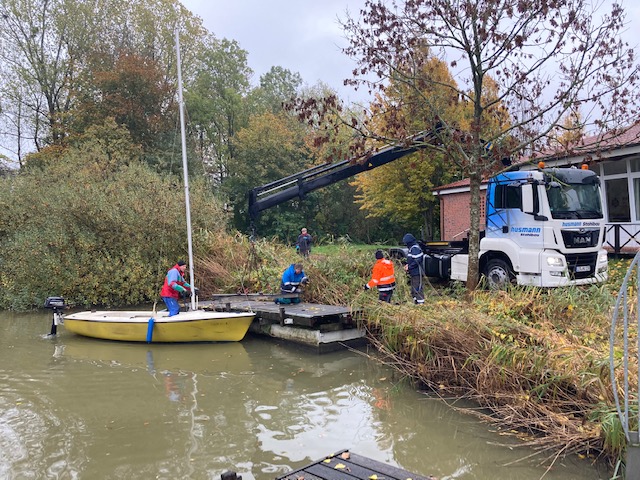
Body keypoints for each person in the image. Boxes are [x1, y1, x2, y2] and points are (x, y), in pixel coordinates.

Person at [402, 233, 425, 305]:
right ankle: (415, 302)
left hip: (417, 272)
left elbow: (417, 260)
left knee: (417, 287)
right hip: (413, 272)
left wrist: (409, 267)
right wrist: (407, 265)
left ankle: (420, 303)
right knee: (413, 288)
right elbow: (412, 259)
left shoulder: (415, 248)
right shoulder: (412, 248)